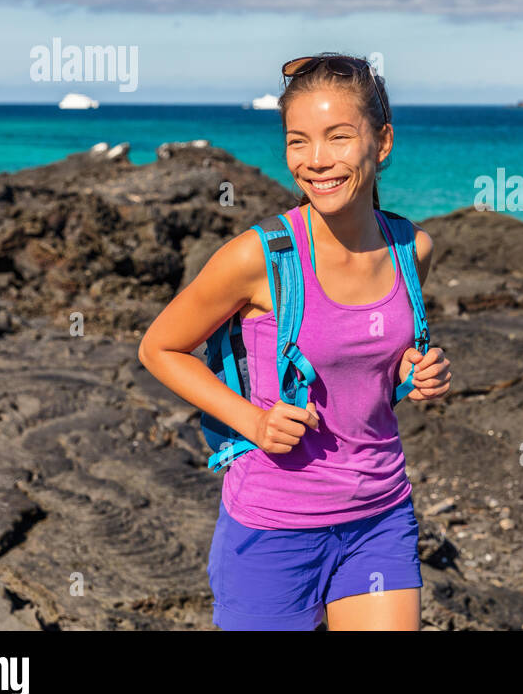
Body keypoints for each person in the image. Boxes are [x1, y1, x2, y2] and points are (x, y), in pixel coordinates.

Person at [138, 53, 451, 630]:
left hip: (379, 517)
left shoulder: (412, 249)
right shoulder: (258, 256)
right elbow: (160, 347)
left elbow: (370, 367)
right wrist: (252, 422)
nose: (315, 161)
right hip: (273, 526)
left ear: (381, 142)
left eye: (337, 137)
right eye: (297, 141)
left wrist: (415, 372)